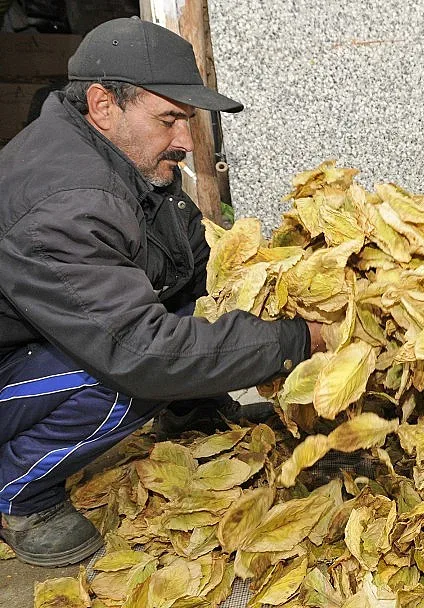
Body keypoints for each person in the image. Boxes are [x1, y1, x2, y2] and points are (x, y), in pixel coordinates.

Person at [0, 17, 324, 567]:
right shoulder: (67, 202)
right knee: (127, 373)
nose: (183, 140)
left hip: (36, 346)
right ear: (104, 106)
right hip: (12, 364)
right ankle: (18, 494)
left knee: (184, 326)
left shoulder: (130, 159)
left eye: (188, 120)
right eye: (170, 118)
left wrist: (268, 304)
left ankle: (190, 411)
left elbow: (192, 272)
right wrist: (300, 340)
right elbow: (139, 352)